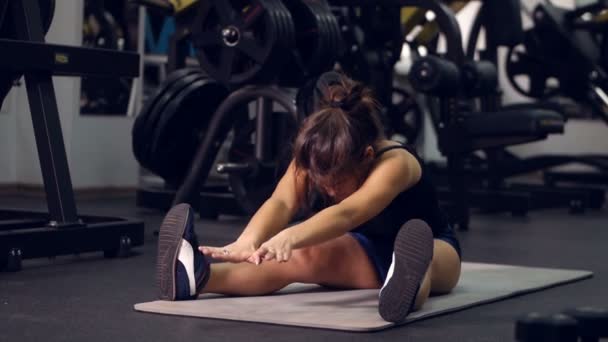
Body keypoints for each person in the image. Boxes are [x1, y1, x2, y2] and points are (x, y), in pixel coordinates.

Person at [155, 73, 462, 323]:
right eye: (323, 184)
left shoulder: (396, 163)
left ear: (367, 156)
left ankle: (403, 289)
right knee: (300, 257)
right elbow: (282, 202)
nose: (328, 192)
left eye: (337, 183)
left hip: (437, 246)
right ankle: (196, 277)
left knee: (426, 260)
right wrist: (249, 240)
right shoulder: (315, 152)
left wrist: (290, 235)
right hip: (366, 249)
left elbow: (348, 213)